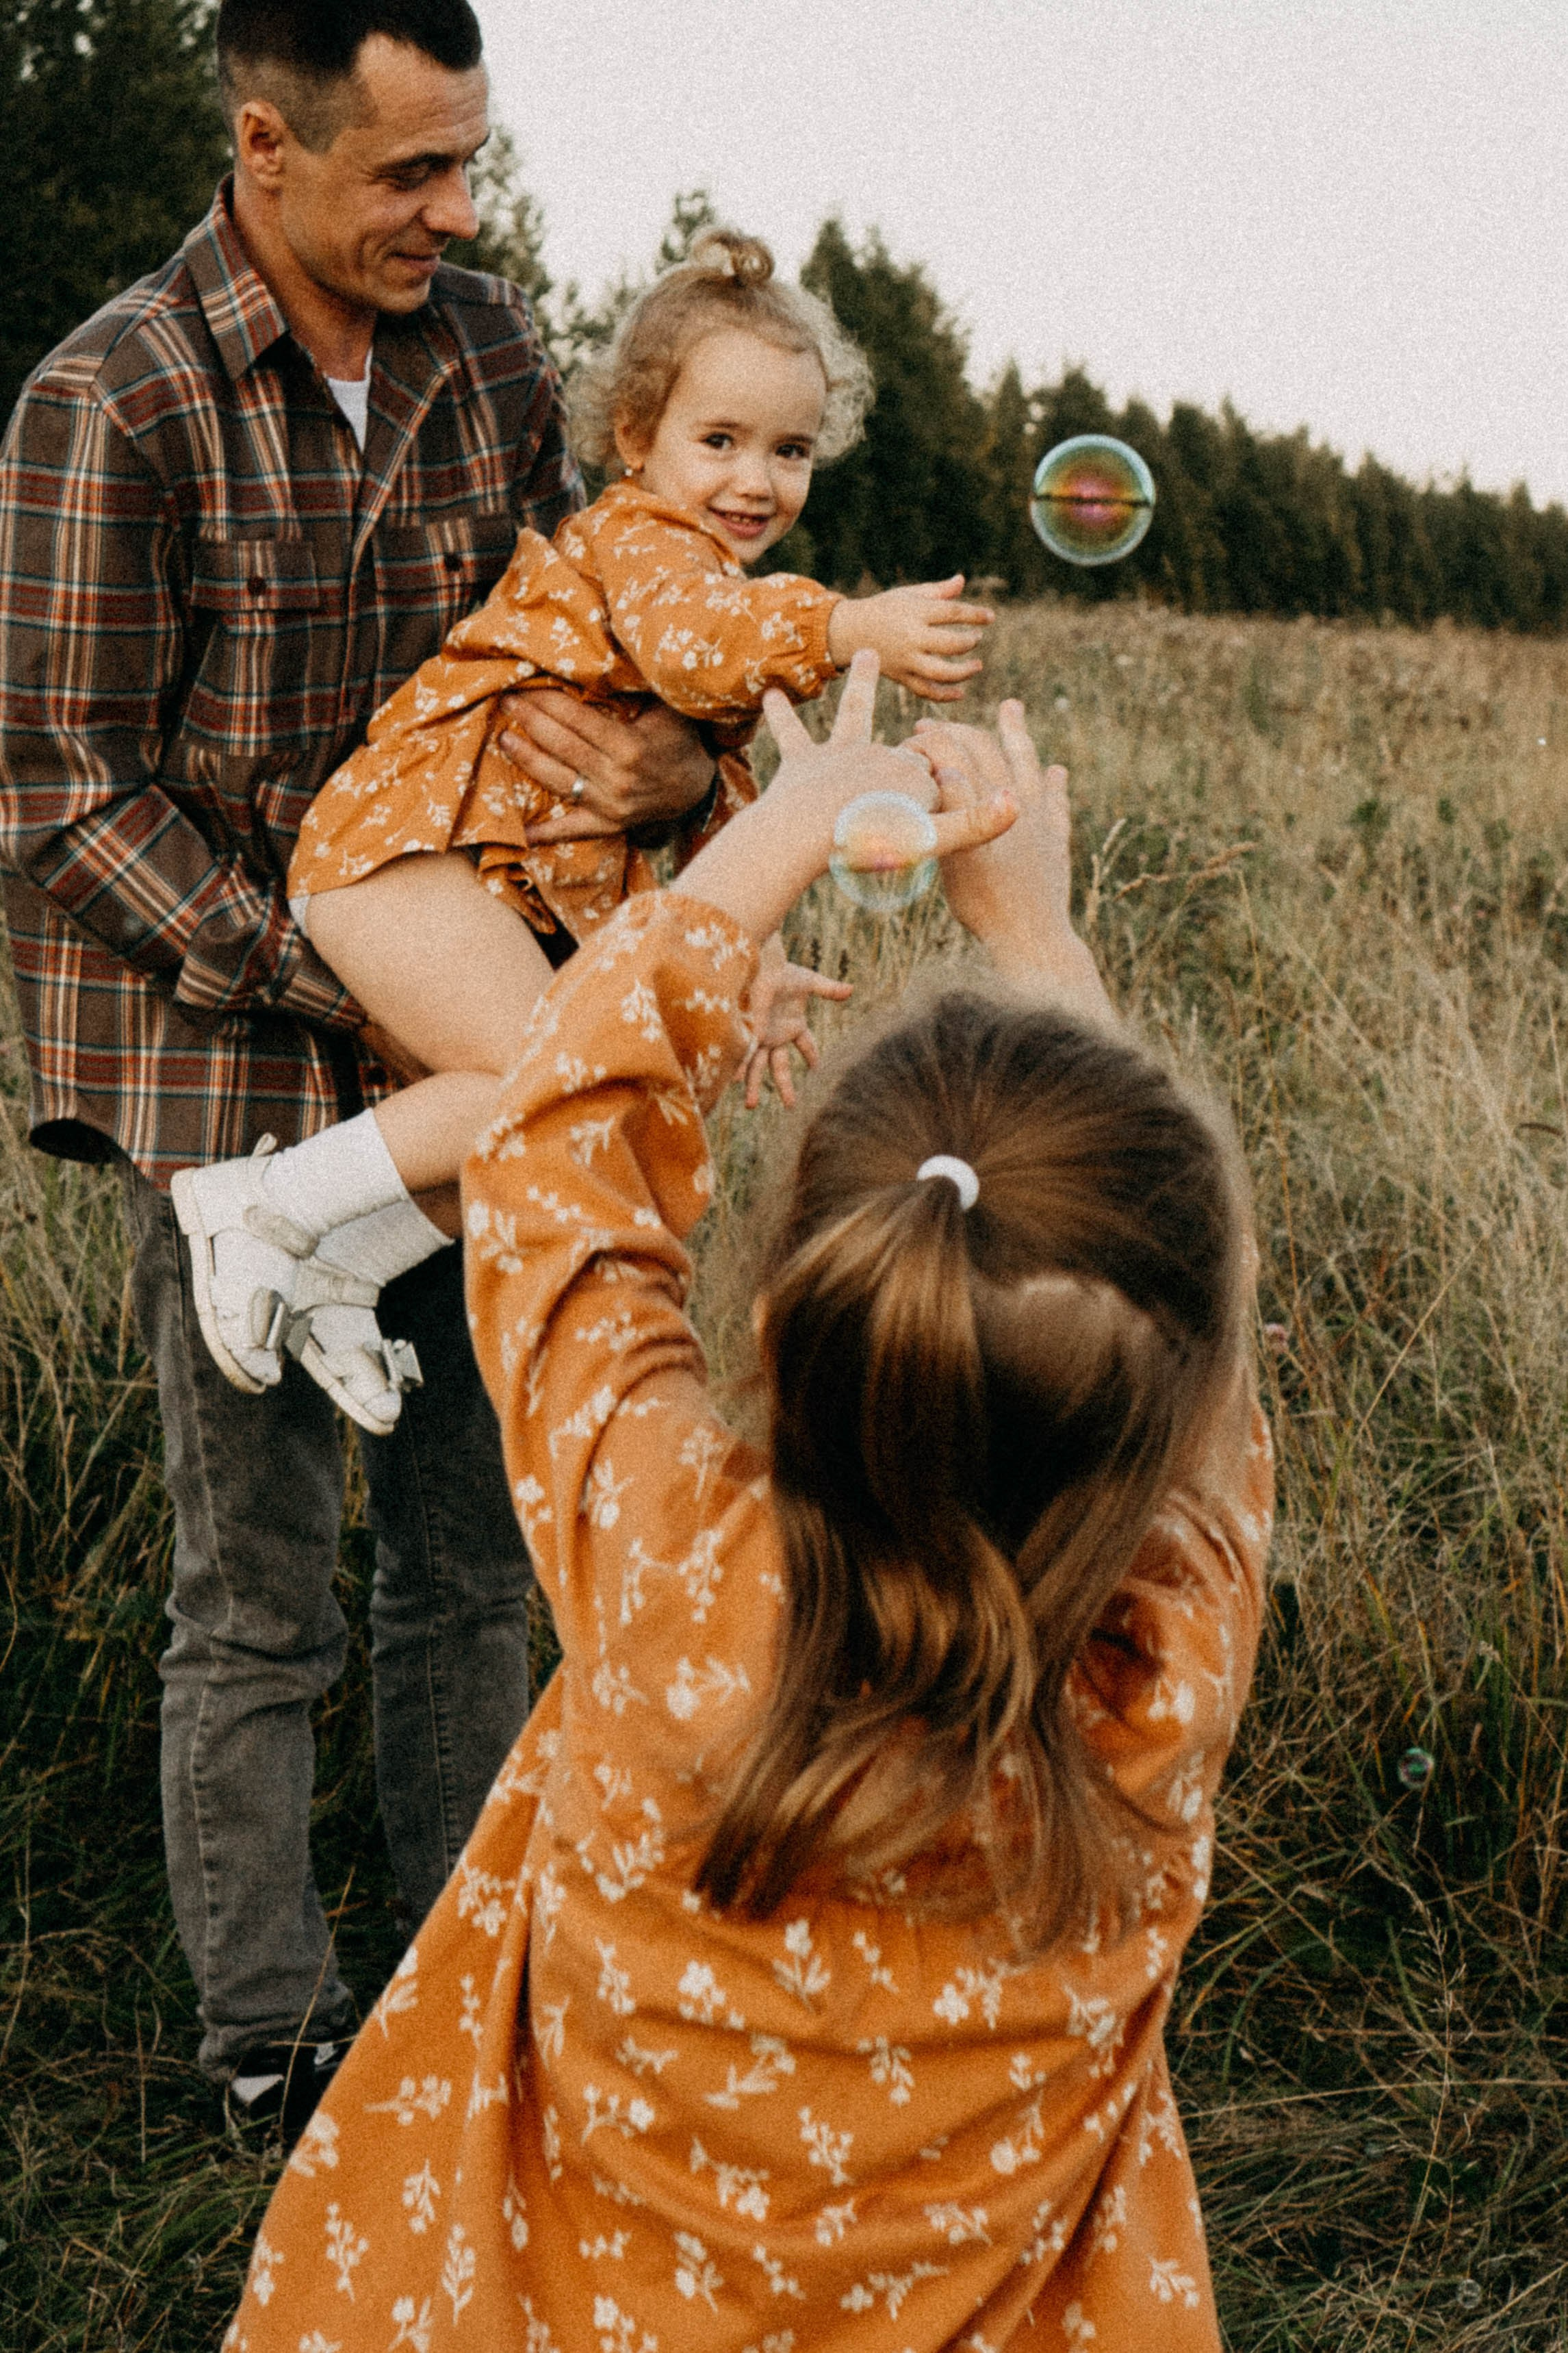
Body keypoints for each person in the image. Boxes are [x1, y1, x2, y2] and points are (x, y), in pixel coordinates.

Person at [224, 665, 1274, 2352]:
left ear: (788, 1320)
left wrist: (778, 834)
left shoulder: (668, 1573)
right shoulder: (1162, 1679)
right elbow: (1192, 1338)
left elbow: (553, 1151)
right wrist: (1042, 947)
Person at [0, 0, 719, 2147]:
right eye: (412, 170)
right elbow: (61, 784)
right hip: (230, 1062)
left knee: (472, 1561)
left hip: (477, 1026)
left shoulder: (486, 352)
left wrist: (675, 768)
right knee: (257, 1593)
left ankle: (456, 1985)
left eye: (469, 161)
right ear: (265, 146)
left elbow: (592, 628)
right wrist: (334, 969)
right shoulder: (113, 398)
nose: (456, 212)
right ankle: (269, 2044)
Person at [172, 229, 994, 1439]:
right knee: (552, 1087)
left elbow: (726, 815)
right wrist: (847, 626)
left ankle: (347, 1265)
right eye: (720, 441)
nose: (757, 480)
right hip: (397, 848)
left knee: (586, 1113)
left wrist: (754, 962)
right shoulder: (647, 546)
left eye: (791, 450)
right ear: (636, 439)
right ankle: (261, 1205)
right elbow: (700, 645)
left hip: (450, 871)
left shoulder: (711, 575)